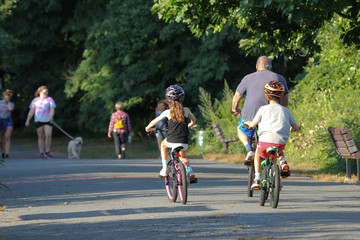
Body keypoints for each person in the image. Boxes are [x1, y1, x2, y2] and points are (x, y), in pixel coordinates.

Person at [232, 56, 289, 165]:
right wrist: (281, 112)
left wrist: (235, 109)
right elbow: (286, 100)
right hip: (272, 116)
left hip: (250, 115)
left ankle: (249, 148)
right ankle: (279, 162)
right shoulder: (279, 78)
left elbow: (237, 96)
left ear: (257, 67)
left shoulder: (247, 78)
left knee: (241, 129)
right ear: (270, 67)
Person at [244, 81, 299, 189]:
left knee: (257, 155)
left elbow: (254, 124)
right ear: (282, 96)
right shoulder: (286, 110)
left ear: (266, 95)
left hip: (265, 142)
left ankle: (257, 179)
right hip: (280, 143)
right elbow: (296, 127)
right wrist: (293, 128)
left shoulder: (263, 109)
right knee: (280, 152)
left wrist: (248, 123)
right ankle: (283, 163)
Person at [145, 85, 196, 179]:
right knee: (183, 157)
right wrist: (189, 125)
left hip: (171, 140)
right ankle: (190, 171)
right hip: (184, 141)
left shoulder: (167, 112)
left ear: (169, 100)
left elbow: (154, 121)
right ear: (182, 98)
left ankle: (164, 169)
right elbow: (194, 120)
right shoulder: (186, 110)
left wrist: (148, 127)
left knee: (163, 145)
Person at [25, 86, 56, 159]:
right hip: (38, 120)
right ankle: (41, 152)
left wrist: (51, 116)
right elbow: (31, 111)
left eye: (47, 92)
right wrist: (28, 120)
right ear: (40, 92)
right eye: (44, 92)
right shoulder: (35, 100)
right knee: (40, 136)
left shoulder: (50, 99)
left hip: (48, 120)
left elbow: (52, 109)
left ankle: (47, 151)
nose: (46, 93)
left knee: (48, 135)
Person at [0, 89, 15, 158]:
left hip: (8, 120)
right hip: (0, 120)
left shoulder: (11, 104)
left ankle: (7, 153)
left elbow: (10, 109)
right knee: (0, 139)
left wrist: (8, 102)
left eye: (9, 97)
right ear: (3, 96)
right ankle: (2, 152)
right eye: (6, 96)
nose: (7, 98)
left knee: (7, 137)